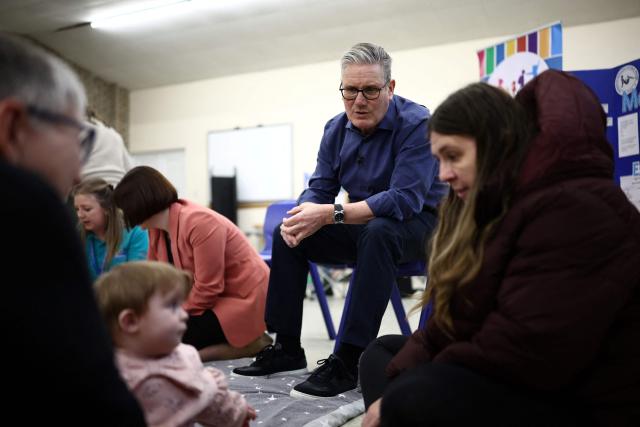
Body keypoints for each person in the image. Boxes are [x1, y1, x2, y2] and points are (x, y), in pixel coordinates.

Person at [359, 71, 640, 426]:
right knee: (382, 357)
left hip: (580, 395)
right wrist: (401, 379)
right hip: (525, 368)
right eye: (438, 160)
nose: (443, 174)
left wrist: (403, 392)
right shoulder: (500, 202)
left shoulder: (575, 208)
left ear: (496, 142)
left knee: (413, 396)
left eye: (453, 156)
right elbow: (459, 318)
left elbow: (528, 350)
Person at [233, 42, 447, 399]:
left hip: (423, 226)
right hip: (367, 226)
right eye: (350, 90)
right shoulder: (335, 129)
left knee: (379, 231)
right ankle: (287, 348)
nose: (358, 101)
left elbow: (404, 199)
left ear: (390, 89)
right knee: (291, 231)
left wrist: (331, 213)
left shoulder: (417, 124)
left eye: (370, 90)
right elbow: (319, 187)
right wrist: (305, 213)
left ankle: (349, 360)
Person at [0, 32, 145, 424]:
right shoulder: (26, 204)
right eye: (77, 140)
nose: (80, 169)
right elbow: (94, 397)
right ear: (13, 126)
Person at [113, 165, 272, 361]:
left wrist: (169, 314)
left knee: (166, 335)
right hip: (214, 300)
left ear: (138, 203)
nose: (124, 216)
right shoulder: (155, 229)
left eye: (125, 209)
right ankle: (217, 348)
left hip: (243, 298)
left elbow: (208, 288)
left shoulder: (199, 222)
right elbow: (155, 284)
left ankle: (253, 343)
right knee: (153, 333)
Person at [95, 261, 257, 427]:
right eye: (172, 306)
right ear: (130, 321)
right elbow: (209, 400)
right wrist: (237, 412)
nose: (184, 314)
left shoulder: (100, 367)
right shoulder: (167, 379)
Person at [73, 177, 149, 282]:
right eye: (77, 209)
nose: (80, 215)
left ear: (107, 209)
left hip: (125, 296)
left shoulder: (135, 232)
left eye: (87, 209)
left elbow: (137, 280)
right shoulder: (77, 236)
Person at [81, 110, 134, 186]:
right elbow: (131, 170)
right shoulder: (113, 132)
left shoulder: (75, 129)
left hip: (88, 189)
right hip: (117, 188)